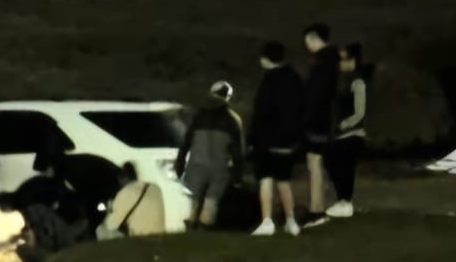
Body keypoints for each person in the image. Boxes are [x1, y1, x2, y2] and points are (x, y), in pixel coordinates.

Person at [0, 157, 91, 262]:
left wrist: (22, 236)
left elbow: (33, 227)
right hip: (68, 221)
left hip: (63, 223)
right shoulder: (27, 193)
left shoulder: (26, 202)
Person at [250, 41, 305, 237]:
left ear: (266, 59)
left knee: (265, 179)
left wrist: (253, 138)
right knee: (284, 180)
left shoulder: (269, 81)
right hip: (289, 141)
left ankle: (267, 220)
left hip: (268, 140)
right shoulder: (294, 78)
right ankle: (291, 221)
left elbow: (261, 112)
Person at [176, 80, 245, 228]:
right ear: (228, 97)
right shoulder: (233, 120)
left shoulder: (198, 117)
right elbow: (238, 152)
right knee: (211, 201)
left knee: (191, 202)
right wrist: (238, 177)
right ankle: (204, 230)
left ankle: (189, 230)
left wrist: (179, 165)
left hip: (196, 165)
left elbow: (185, 144)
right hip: (219, 168)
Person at [324, 44, 371, 219]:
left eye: (343, 59)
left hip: (352, 134)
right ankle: (342, 201)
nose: (340, 63)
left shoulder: (357, 81)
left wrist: (344, 124)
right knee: (335, 166)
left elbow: (360, 110)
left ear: (353, 60)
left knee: (344, 169)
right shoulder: (341, 80)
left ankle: (345, 202)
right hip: (339, 134)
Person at [302, 23, 341, 219]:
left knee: (314, 162)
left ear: (313, 38)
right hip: (326, 119)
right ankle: (317, 205)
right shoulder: (332, 61)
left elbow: (315, 95)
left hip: (318, 120)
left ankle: (316, 208)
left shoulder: (322, 63)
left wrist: (306, 120)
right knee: (317, 163)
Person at [98, 162, 166, 240]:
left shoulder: (125, 192)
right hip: (160, 239)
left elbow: (111, 225)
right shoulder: (155, 188)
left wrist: (109, 210)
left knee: (101, 230)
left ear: (122, 179)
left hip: (141, 243)